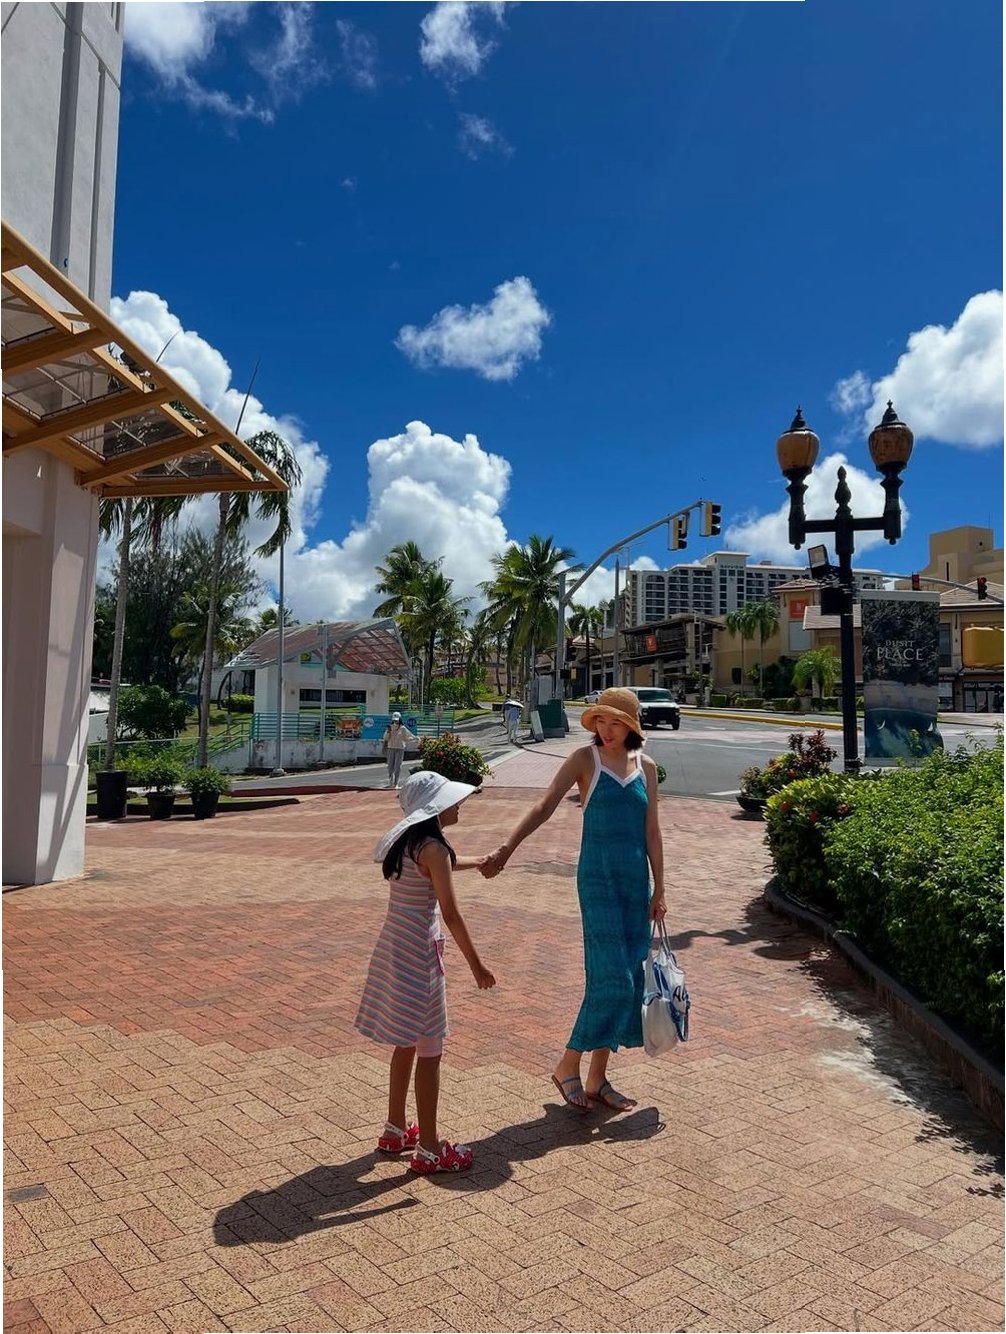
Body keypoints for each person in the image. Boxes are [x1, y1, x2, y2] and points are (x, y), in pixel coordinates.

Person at [482, 687, 666, 1112]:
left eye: (616, 722)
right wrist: (507, 849)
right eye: (601, 721)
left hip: (634, 884)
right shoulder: (586, 760)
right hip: (598, 882)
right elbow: (544, 806)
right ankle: (568, 1063)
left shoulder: (647, 767)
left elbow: (652, 831)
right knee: (611, 978)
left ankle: (598, 1077)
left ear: (632, 727)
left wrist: (660, 888)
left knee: (629, 977)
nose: (607, 729)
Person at [355, 771, 496, 1173]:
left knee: (405, 1042)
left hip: (394, 949)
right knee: (430, 1052)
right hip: (420, 956)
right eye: (452, 800)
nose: (459, 805)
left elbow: (444, 865)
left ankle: (395, 1128)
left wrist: (480, 861)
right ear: (434, 809)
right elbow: (450, 913)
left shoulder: (408, 843)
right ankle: (431, 1148)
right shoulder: (433, 848)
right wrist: (477, 965)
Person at [382, 711, 418, 788]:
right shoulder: (389, 727)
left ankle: (396, 783)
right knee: (390, 765)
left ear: (399, 719)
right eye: (394, 720)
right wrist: (388, 732)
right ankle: (391, 782)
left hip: (400, 748)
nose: (395, 721)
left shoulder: (403, 728)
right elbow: (385, 738)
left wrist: (414, 739)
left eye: (397, 720)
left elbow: (406, 738)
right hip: (391, 748)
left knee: (398, 766)